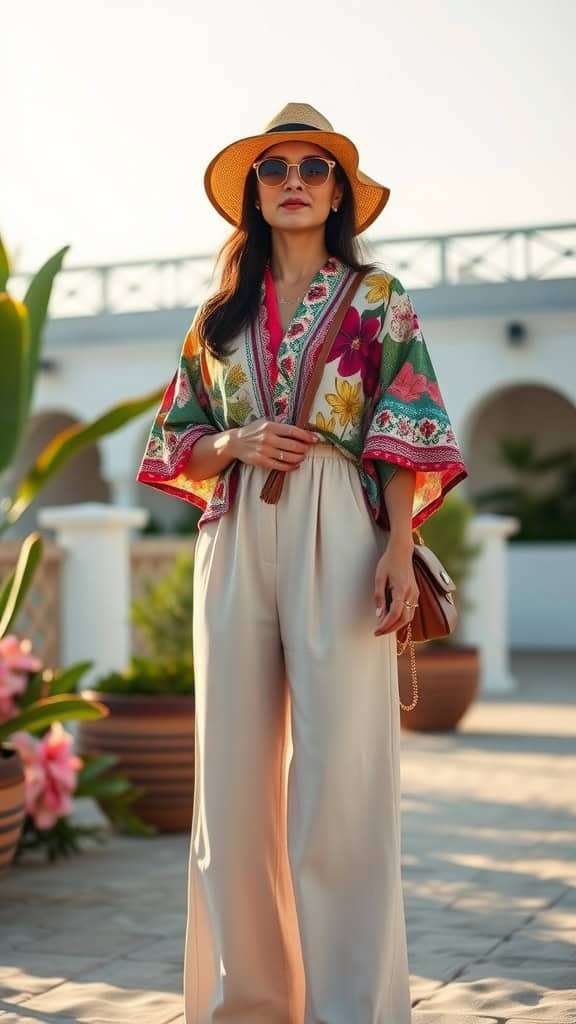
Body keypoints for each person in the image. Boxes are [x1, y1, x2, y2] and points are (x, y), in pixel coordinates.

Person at [136, 102, 468, 1024]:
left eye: (312, 169)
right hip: (237, 530)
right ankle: (249, 1004)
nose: (292, 182)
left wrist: (400, 548)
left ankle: (351, 1009)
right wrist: (234, 439)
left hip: (344, 526)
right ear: (255, 192)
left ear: (337, 194)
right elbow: (176, 445)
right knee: (232, 784)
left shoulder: (377, 298)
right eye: (275, 168)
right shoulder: (217, 317)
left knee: (342, 778)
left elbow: (407, 428)